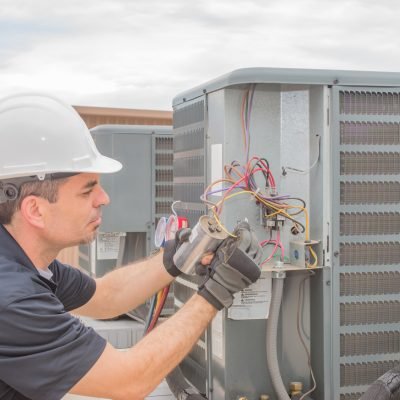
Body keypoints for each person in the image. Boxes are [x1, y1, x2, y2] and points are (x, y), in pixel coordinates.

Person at [0, 93, 263, 400]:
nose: (104, 199)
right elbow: (128, 380)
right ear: (35, 210)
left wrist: (174, 259)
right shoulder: (12, 297)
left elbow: (106, 296)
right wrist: (218, 291)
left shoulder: (26, 261)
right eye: (87, 192)